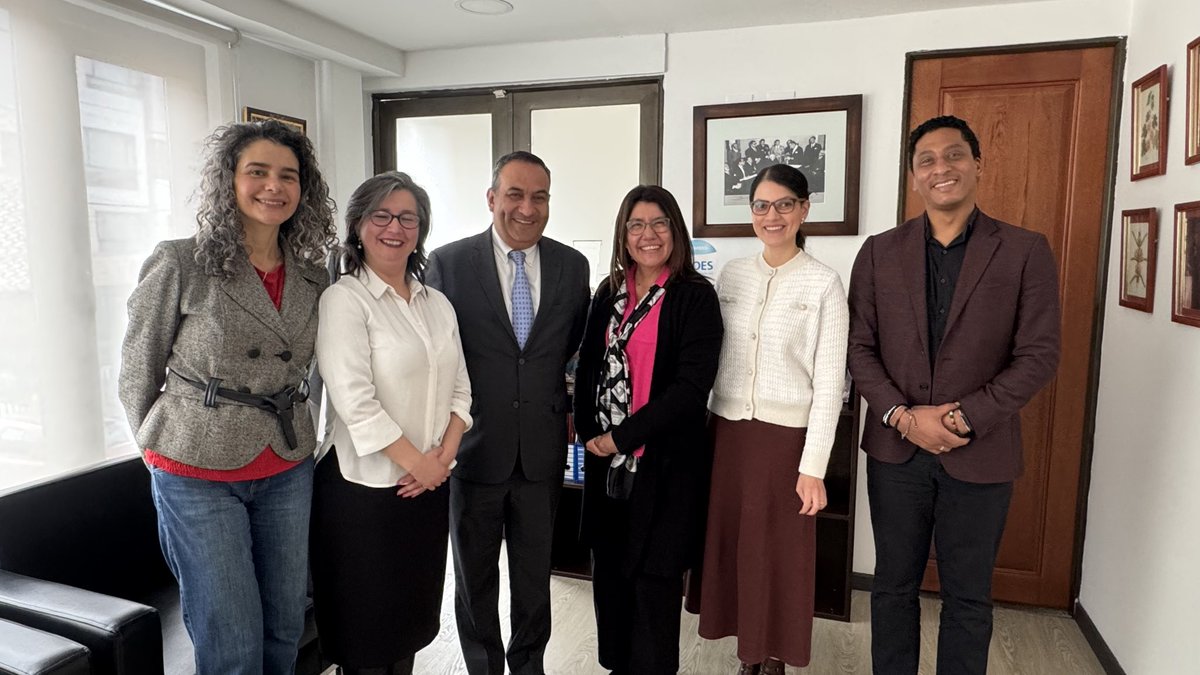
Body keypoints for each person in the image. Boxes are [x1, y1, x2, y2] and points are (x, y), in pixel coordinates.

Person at [118, 120, 336, 674]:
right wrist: (159, 448)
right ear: (228, 180)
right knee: (231, 634)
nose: (274, 186)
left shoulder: (313, 275)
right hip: (195, 466)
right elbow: (136, 371)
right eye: (257, 172)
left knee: (284, 623)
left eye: (288, 176)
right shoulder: (180, 261)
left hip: (287, 461)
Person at [847, 115, 1061, 675]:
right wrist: (901, 416)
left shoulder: (1023, 250)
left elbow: (1038, 355)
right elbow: (858, 348)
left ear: (977, 165)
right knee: (892, 587)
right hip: (896, 453)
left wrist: (963, 420)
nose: (942, 167)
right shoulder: (878, 252)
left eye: (955, 155)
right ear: (914, 177)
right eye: (927, 160)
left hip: (982, 453)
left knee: (969, 596)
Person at [425, 151, 590, 675]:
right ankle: (482, 667)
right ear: (492, 198)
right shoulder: (448, 264)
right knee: (474, 580)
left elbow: (574, 350)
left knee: (534, 578)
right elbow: (434, 358)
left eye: (539, 196)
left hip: (542, 452)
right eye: (515, 194)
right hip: (472, 451)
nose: (527, 207)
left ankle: (528, 667)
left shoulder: (571, 265)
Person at [310, 172, 472, 674]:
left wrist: (440, 461)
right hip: (363, 495)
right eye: (381, 215)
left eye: (408, 217)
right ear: (358, 225)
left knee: (410, 627)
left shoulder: (436, 303)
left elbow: (462, 390)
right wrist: (420, 465)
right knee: (366, 639)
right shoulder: (344, 300)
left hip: (425, 490)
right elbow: (356, 403)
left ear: (421, 229)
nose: (394, 227)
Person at [696, 163, 849, 675]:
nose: (773, 215)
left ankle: (774, 656)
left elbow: (831, 384)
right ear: (751, 213)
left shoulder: (824, 283)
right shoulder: (732, 275)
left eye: (785, 204)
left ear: (805, 210)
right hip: (728, 434)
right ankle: (748, 652)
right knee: (736, 547)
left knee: (778, 554)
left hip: (787, 443)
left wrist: (814, 467)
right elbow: (710, 356)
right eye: (762, 205)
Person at [573, 185, 723, 675]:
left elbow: (689, 389)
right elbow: (588, 369)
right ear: (624, 234)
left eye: (659, 223)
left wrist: (622, 436)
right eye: (636, 224)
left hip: (663, 468)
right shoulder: (608, 291)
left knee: (654, 585)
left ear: (675, 230)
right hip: (606, 467)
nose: (648, 234)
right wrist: (591, 432)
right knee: (611, 582)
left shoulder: (694, 297)